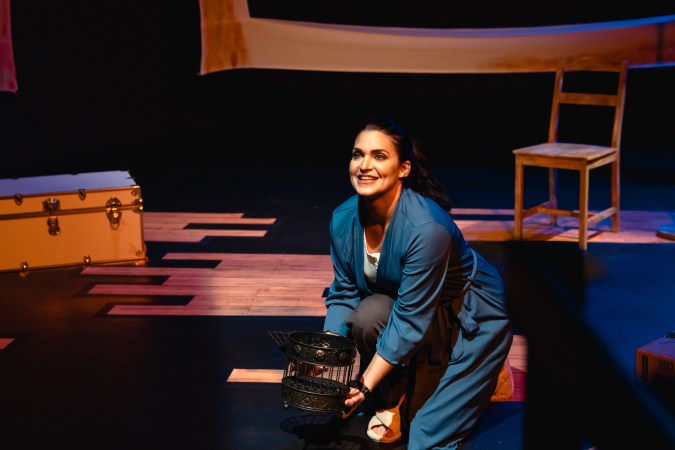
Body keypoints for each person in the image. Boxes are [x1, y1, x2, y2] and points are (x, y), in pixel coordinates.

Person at [322, 116, 513, 449]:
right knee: (368, 315)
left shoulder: (426, 228)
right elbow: (344, 292)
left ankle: (490, 369)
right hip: (413, 309)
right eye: (357, 154)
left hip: (469, 317)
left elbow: (409, 320)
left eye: (379, 156)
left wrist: (363, 386)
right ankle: (393, 397)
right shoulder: (343, 218)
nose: (364, 165)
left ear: (404, 169)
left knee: (424, 436)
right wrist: (326, 349)